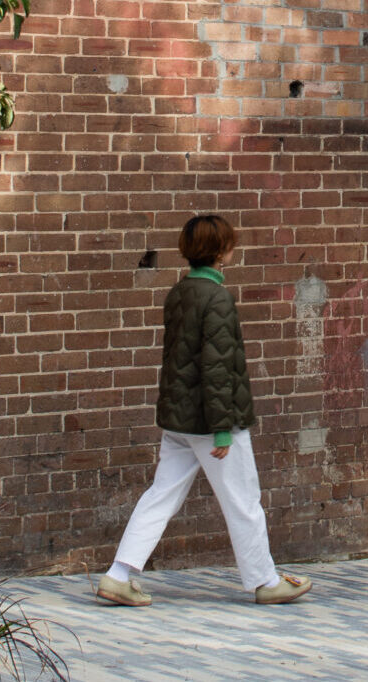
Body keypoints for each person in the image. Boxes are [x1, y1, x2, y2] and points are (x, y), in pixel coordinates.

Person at [96, 211, 312, 608]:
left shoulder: (180, 293)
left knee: (161, 495)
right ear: (221, 252)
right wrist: (223, 428)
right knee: (243, 499)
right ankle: (265, 581)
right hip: (211, 423)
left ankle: (118, 576)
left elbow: (183, 361)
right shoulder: (217, 298)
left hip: (179, 422)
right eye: (229, 243)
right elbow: (216, 367)